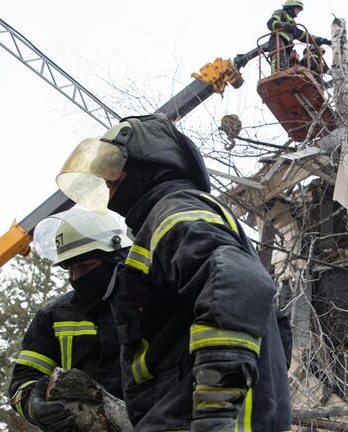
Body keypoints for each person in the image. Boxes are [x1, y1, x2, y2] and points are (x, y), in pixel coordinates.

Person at [55, 114, 292, 431]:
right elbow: (277, 327)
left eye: (113, 168)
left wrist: (215, 410)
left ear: (149, 162)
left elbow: (235, 282)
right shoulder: (163, 223)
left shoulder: (173, 209)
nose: (108, 184)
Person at [8, 208, 130, 432]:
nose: (76, 277)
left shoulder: (150, 302)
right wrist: (35, 407)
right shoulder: (54, 316)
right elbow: (23, 380)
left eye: (85, 266)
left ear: (117, 257)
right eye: (70, 268)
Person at [267, 0, 331, 74]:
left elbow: (306, 36)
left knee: (285, 62)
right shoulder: (281, 13)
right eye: (297, 9)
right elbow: (271, 23)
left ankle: (283, 75)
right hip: (277, 40)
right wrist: (282, 25)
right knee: (278, 56)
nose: (297, 13)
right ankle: (276, 73)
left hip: (287, 46)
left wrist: (323, 40)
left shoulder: (293, 26)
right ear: (291, 7)